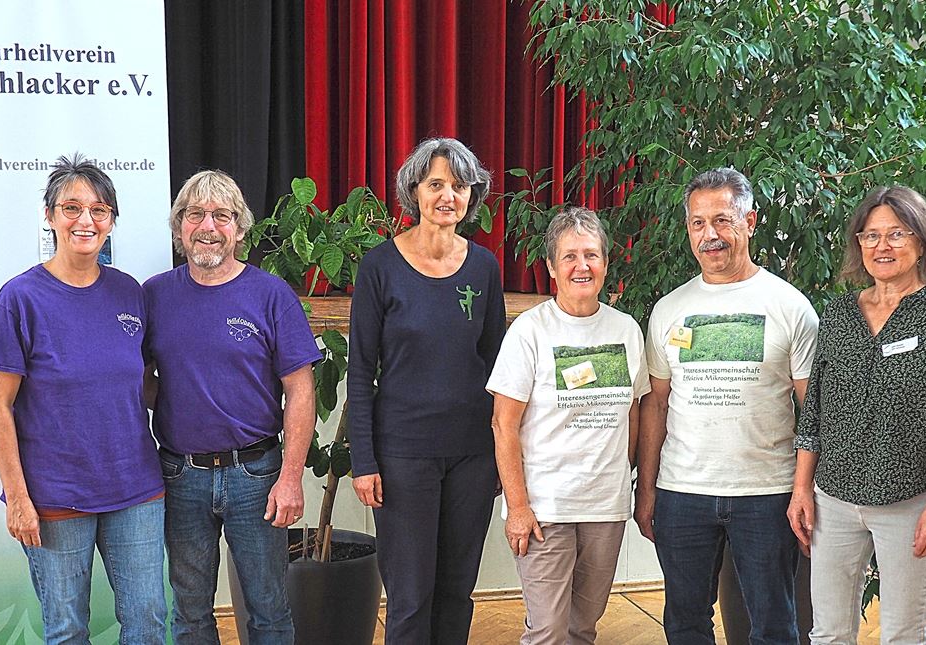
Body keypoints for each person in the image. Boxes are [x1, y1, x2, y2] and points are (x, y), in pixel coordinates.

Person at [0, 154, 166, 643]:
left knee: (147, 621)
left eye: (99, 210)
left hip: (135, 489)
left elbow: (143, 381)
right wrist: (18, 498)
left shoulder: (129, 293)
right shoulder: (20, 298)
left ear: (111, 222)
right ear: (50, 215)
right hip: (54, 496)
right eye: (72, 208)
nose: (86, 220)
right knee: (66, 629)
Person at [787, 186, 926, 644]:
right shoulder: (837, 315)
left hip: (911, 501)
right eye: (870, 236)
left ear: (922, 240)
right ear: (858, 245)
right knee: (828, 633)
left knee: (903, 634)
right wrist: (801, 489)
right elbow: (814, 407)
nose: (882, 246)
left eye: (897, 233)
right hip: (833, 500)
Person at [635, 167, 819, 644]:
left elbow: (812, 411)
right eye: (698, 223)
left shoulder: (790, 306)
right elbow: (656, 407)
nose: (709, 235)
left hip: (768, 493)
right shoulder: (668, 309)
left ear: (751, 221)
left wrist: (806, 489)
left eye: (722, 219)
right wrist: (647, 489)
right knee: (684, 622)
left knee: (775, 625)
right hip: (682, 492)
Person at [144, 169, 321, 644]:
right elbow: (138, 379)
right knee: (191, 611)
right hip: (180, 476)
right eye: (196, 214)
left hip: (257, 475)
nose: (208, 226)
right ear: (180, 227)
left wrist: (290, 477)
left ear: (240, 229)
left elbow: (301, 390)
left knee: (268, 609)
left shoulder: (271, 295)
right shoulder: (154, 295)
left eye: (221, 216)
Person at [347, 137, 506, 643]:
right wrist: (364, 460)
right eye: (436, 184)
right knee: (411, 598)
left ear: (470, 197)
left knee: (456, 591)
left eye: (459, 186)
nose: (447, 196)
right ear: (413, 190)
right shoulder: (379, 267)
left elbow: (497, 365)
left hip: (472, 457)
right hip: (403, 457)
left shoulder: (484, 267)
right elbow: (358, 371)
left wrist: (504, 454)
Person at [487, 207, 650, 644]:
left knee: (583, 626)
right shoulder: (529, 332)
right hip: (545, 510)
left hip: (605, 507)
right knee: (548, 630)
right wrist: (518, 508)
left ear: (606, 263)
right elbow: (504, 425)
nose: (582, 266)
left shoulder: (626, 330)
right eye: (570, 257)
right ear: (552, 268)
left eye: (592, 255)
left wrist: (625, 478)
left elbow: (633, 412)